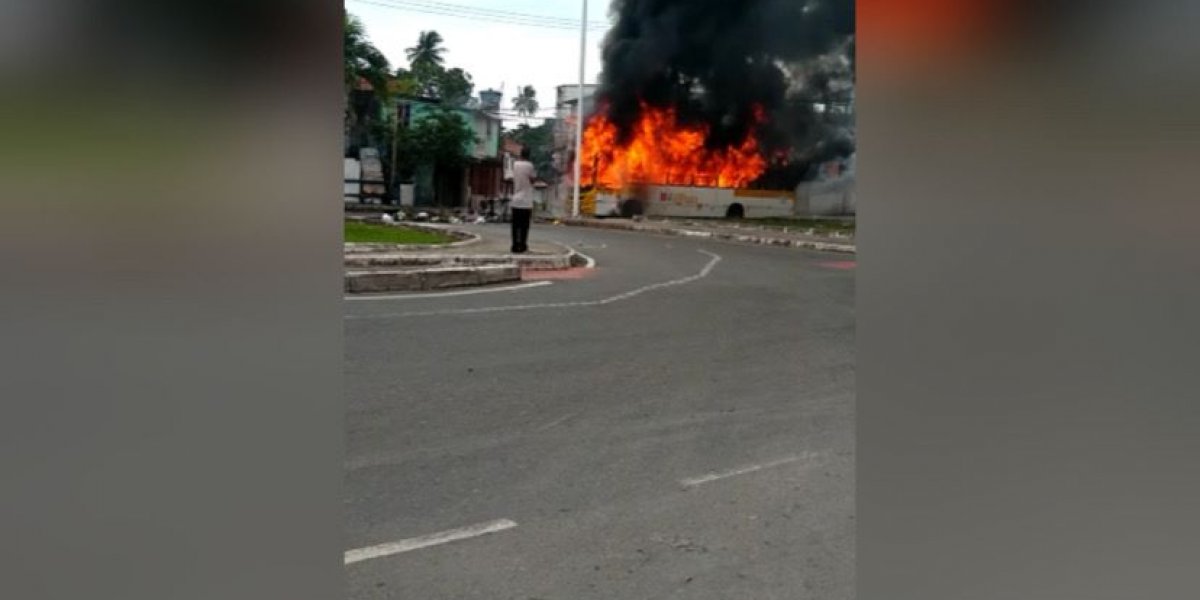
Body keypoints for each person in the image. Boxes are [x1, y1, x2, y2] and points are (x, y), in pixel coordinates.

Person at [509, 147, 536, 253]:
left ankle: (514, 246)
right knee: (524, 226)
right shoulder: (530, 166)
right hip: (526, 201)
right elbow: (533, 180)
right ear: (529, 155)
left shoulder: (515, 165)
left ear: (520, 154)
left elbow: (511, 178)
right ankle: (523, 246)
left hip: (515, 200)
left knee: (515, 225)